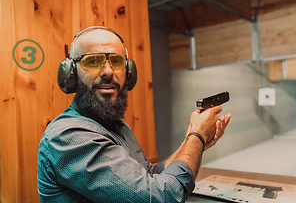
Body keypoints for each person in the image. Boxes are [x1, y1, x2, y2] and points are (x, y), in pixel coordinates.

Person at [37, 26, 232, 203]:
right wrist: (196, 136)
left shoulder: (117, 126)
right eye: (93, 61)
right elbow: (160, 197)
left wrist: (193, 142)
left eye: (116, 61)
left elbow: (148, 174)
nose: (107, 71)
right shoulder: (69, 136)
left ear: (128, 72)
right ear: (70, 73)